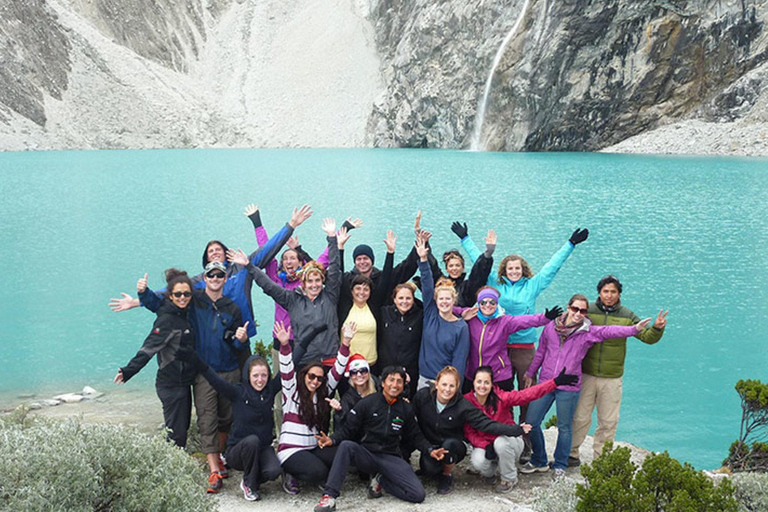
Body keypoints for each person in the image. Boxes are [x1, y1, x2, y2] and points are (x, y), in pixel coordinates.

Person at [108, 205, 313, 344]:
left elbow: (269, 249)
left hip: (242, 334)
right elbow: (170, 292)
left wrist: (291, 225)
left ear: (226, 253)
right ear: (206, 261)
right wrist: (137, 301)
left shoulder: (242, 267)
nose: (214, 252)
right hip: (216, 337)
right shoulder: (200, 280)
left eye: (218, 249)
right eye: (210, 252)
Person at [456, 223, 589, 427]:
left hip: (524, 349)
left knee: (528, 391)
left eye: (517, 268)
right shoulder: (495, 282)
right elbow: (479, 261)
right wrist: (466, 239)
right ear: (504, 270)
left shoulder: (532, 285)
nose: (514, 271)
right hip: (498, 347)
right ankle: (502, 426)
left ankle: (526, 432)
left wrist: (570, 244)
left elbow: (552, 267)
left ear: (523, 269)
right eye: (510, 268)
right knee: (503, 393)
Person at [138, 262, 250, 493]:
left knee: (226, 419)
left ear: (225, 278)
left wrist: (242, 338)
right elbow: (162, 304)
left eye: (220, 274)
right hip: (204, 372)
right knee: (206, 418)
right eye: (211, 274)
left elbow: (236, 343)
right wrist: (143, 294)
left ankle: (219, 458)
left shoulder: (233, 307)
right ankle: (213, 471)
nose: (216, 278)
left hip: (229, 370)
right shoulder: (194, 300)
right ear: (205, 278)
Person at [520, 294, 651, 477]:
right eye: (575, 309)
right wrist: (530, 372)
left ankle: (560, 464)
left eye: (583, 311)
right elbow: (541, 351)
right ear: (568, 307)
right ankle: (539, 460)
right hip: (546, 382)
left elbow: (610, 331)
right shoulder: (551, 326)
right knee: (532, 422)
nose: (578, 313)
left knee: (565, 427)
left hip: (569, 385)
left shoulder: (587, 332)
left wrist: (634, 329)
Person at [569, 275, 668, 465]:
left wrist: (656, 328)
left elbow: (646, 336)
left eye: (613, 291)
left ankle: (602, 459)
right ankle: (572, 453)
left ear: (619, 294)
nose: (609, 295)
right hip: (586, 373)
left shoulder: (627, 315)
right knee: (580, 417)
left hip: (612, 377)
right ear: (599, 292)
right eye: (605, 291)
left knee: (608, 421)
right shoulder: (587, 310)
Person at [312, 366, 439, 512]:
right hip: (368, 454)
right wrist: (332, 440)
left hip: (391, 457)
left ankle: (381, 480)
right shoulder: (368, 403)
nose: (395, 385)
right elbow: (348, 429)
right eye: (391, 380)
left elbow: (416, 436)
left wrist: (430, 450)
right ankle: (329, 497)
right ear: (383, 383)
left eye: (399, 381)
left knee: (418, 495)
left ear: (403, 385)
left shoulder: (405, 408)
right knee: (346, 446)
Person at [179, 351, 281, 502]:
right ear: (248, 375)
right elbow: (214, 380)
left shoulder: (270, 391)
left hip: (262, 449)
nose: (260, 380)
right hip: (238, 451)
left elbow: (289, 368)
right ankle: (249, 484)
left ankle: (251, 478)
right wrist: (196, 360)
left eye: (264, 375)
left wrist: (293, 344)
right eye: (255, 376)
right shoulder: (238, 392)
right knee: (252, 441)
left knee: (274, 471)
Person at [240, 218, 343, 367]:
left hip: (317, 351)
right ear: (304, 283)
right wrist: (249, 265)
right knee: (284, 385)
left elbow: (332, 264)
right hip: (288, 344)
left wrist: (334, 236)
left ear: (301, 263)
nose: (314, 285)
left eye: (293, 258)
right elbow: (268, 260)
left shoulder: (325, 293)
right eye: (285, 259)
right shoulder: (288, 293)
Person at [114, 269, 197, 449]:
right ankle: (171, 470)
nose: (182, 297)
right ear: (170, 296)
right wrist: (128, 370)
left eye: (186, 294)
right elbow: (148, 349)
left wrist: (143, 295)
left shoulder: (185, 313)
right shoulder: (167, 320)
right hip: (171, 384)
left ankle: (174, 467)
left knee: (181, 430)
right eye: (178, 294)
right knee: (176, 434)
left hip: (183, 383)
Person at [412, 366, 527, 494]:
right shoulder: (423, 396)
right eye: (444, 384)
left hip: (453, 444)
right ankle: (431, 468)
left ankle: (446, 475)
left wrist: (516, 430)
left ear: (457, 388)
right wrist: (428, 448)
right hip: (431, 444)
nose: (447, 389)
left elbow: (485, 424)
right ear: (437, 384)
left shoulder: (462, 404)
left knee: (449, 445)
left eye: (452, 386)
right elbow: (411, 419)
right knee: (429, 470)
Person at [464, 366, 577, 492]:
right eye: (479, 382)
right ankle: (492, 472)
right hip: (487, 445)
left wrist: (554, 383)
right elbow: (469, 432)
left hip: (509, 441)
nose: (482, 386)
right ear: (473, 382)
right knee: (478, 461)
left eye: (486, 382)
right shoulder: (467, 402)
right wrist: (484, 445)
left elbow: (527, 395)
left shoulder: (501, 398)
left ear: (492, 384)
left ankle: (509, 478)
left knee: (500, 443)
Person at [272, 320, 352, 494]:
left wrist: (345, 344)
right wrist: (285, 346)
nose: (315, 381)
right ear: (304, 375)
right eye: (312, 376)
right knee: (319, 472)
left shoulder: (321, 394)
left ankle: (313, 470)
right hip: (291, 450)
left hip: (313, 448)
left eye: (319, 378)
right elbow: (286, 369)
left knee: (342, 454)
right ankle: (289, 472)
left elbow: (338, 370)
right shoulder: (291, 391)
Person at [459, 286, 562, 394]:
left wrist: (545, 317)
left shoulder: (504, 322)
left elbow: (525, 321)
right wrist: (461, 315)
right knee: (471, 408)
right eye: (483, 302)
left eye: (492, 302)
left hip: (498, 375)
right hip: (473, 374)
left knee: (502, 408)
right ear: (479, 304)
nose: (488, 305)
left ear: (497, 304)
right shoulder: (471, 316)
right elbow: (451, 309)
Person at [415, 234, 470, 390]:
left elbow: (459, 362)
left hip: (447, 384)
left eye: (448, 299)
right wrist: (423, 260)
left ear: (453, 301)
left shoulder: (461, 327)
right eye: (441, 299)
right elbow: (426, 284)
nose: (444, 302)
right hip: (425, 379)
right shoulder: (430, 314)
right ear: (436, 300)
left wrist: (454, 388)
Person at [376, 281, 423, 399]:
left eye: (408, 298)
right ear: (394, 299)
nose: (404, 301)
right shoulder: (384, 313)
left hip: (410, 372)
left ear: (413, 300)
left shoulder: (420, 316)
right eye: (400, 298)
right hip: (385, 369)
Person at [332, 353, 378, 432]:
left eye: (363, 371)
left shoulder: (380, 387)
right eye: (354, 372)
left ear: (368, 372)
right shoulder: (348, 398)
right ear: (350, 376)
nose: (359, 375)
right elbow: (341, 428)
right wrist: (339, 411)